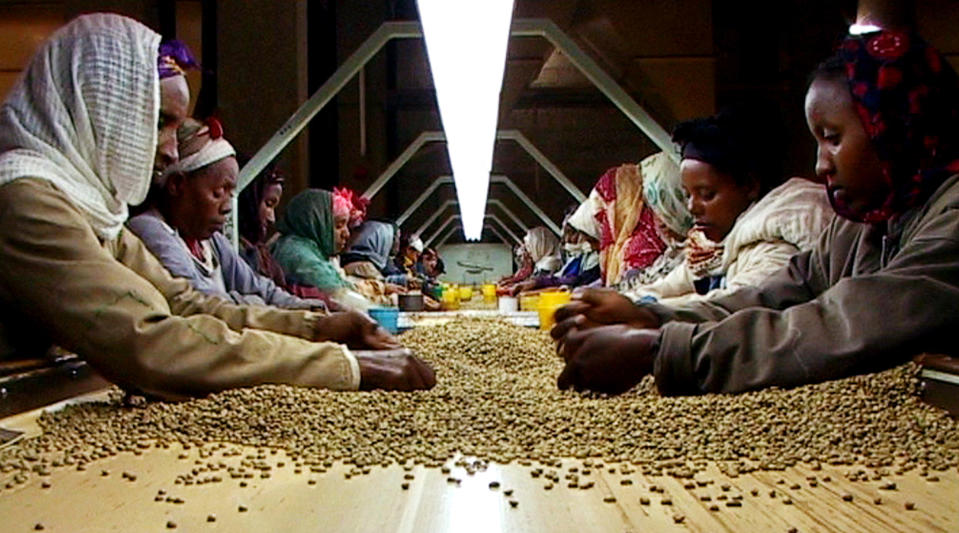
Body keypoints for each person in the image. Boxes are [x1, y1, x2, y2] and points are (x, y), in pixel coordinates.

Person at [0, 14, 434, 399]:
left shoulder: (95, 213)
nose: (170, 152)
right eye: (159, 122)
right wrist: (344, 367)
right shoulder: (26, 200)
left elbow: (185, 304)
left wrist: (318, 328)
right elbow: (150, 342)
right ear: (98, 108)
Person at [552, 28, 959, 396]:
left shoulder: (952, 215)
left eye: (833, 138)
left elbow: (848, 324)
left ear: (894, 127)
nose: (821, 165)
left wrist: (660, 350)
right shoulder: (863, 225)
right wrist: (650, 316)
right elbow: (776, 296)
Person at [621, 113, 833, 306]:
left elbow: (727, 305)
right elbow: (670, 285)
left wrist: (641, 309)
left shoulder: (777, 251)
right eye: (688, 195)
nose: (692, 207)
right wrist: (619, 302)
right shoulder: (711, 251)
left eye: (706, 195)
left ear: (750, 186)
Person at [128, 118, 325, 310]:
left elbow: (259, 287)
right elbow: (206, 303)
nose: (227, 207)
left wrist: (305, 308)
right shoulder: (149, 230)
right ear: (177, 185)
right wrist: (257, 304)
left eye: (231, 193)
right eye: (218, 192)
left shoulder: (211, 243)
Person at [271, 188, 391, 309]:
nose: (347, 234)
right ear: (316, 223)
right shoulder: (297, 254)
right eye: (338, 226)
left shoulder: (309, 250)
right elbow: (339, 296)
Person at [511, 203, 601, 293]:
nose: (566, 239)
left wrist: (537, 284)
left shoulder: (551, 264)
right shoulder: (578, 257)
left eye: (572, 232)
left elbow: (578, 282)